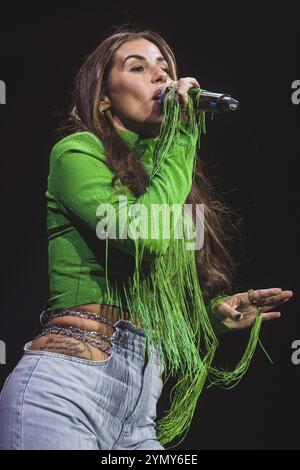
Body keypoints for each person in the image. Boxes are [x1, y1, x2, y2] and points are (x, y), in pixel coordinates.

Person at [0, 26, 293, 451]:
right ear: (104, 97)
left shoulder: (167, 181)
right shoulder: (77, 152)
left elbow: (154, 307)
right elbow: (143, 237)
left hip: (138, 417)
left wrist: (213, 317)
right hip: (66, 392)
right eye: (138, 67)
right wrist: (183, 136)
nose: (161, 78)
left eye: (165, 68)